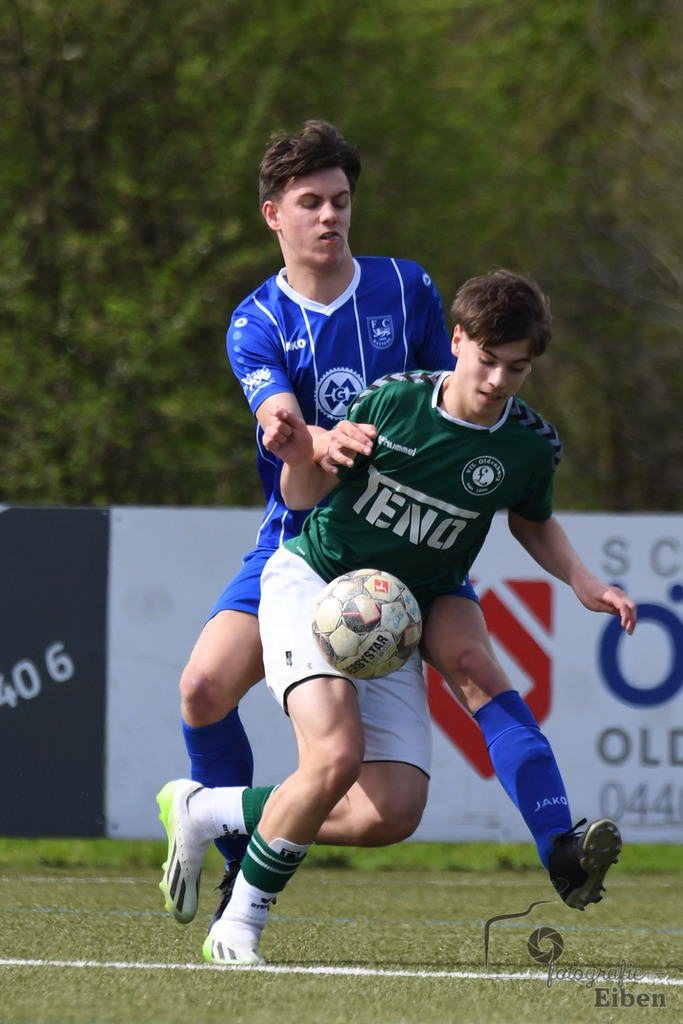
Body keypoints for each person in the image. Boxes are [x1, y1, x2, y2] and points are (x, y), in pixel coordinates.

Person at [159, 269, 637, 966]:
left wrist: (584, 582)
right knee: (334, 757)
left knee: (392, 811)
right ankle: (238, 925)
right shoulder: (393, 402)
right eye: (487, 360)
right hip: (319, 585)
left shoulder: (530, 443)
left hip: (406, 606)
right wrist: (303, 452)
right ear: (457, 340)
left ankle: (207, 810)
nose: (498, 380)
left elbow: (532, 519)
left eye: (517, 367)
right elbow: (303, 495)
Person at [176, 118, 479, 926]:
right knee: (202, 688)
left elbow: (448, 404)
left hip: (391, 545)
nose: (328, 215)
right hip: (297, 537)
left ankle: (230, 823)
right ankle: (235, 863)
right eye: (309, 202)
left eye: (339, 200)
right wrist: (302, 435)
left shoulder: (405, 287)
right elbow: (279, 417)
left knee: (385, 795)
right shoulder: (255, 321)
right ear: (272, 214)